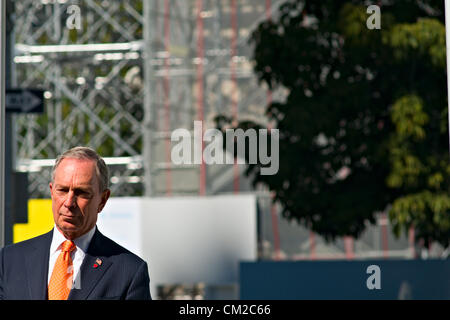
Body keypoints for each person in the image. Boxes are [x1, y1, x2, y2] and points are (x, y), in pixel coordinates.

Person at [0, 146, 151, 300]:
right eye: (63, 190)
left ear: (103, 200)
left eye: (81, 193)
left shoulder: (129, 271)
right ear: (52, 192)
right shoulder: (9, 261)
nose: (69, 202)